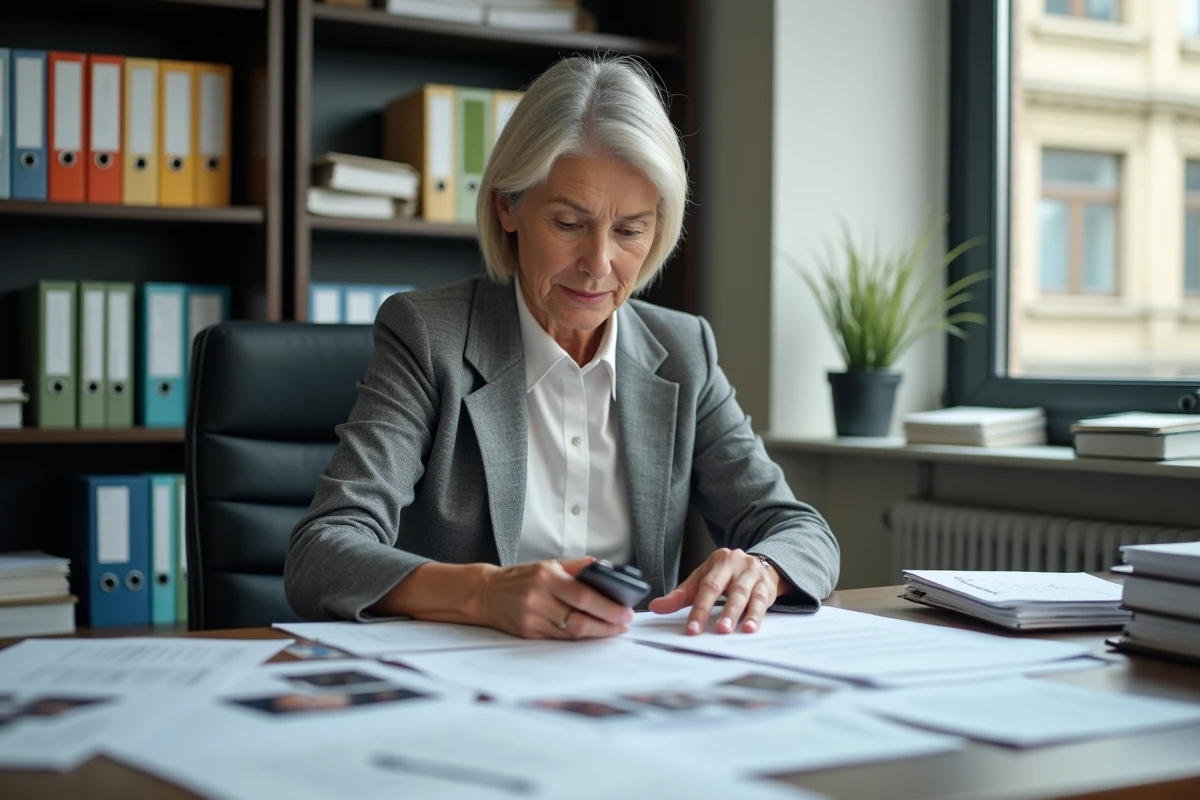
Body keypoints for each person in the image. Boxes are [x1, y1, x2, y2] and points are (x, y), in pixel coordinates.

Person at [284, 55, 839, 640]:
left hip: (631, 689)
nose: (599, 265)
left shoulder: (683, 351)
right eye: (569, 224)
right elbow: (322, 553)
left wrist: (765, 566)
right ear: (509, 207)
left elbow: (800, 529)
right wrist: (483, 593)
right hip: (468, 678)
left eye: (629, 230)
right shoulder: (429, 336)